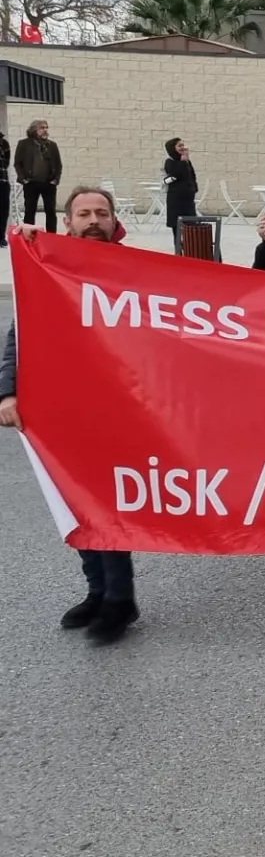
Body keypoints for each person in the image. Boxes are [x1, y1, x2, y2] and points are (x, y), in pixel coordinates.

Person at [0, 186, 138, 642]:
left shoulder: (134, 270)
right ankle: (97, 590)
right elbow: (20, 335)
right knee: (74, 503)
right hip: (59, 410)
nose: (93, 220)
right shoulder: (46, 265)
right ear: (68, 221)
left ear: (113, 220)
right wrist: (7, 392)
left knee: (105, 504)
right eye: (84, 213)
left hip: (116, 410)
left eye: (102, 212)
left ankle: (120, 599)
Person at [15, 119, 61, 234]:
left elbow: (58, 164)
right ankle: (28, 235)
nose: (45, 130)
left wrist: (56, 180)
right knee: (30, 211)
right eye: (42, 128)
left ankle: (51, 236)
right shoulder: (24, 144)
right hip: (31, 182)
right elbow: (17, 163)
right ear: (34, 129)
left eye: (46, 128)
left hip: (48, 183)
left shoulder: (52, 145)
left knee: (50, 211)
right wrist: (23, 179)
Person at [162, 137, 198, 252]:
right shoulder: (170, 162)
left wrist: (193, 189)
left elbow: (191, 175)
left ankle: (191, 250)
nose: (183, 148)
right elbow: (176, 174)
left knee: (192, 226)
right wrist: (183, 162)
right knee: (177, 228)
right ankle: (178, 251)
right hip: (176, 201)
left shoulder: (186, 161)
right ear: (173, 148)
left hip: (188, 201)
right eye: (179, 146)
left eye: (183, 145)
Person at [0, 129, 10, 247]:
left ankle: (1, 237)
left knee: (3, 211)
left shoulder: (4, 143)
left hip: (2, 181)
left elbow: (6, 161)